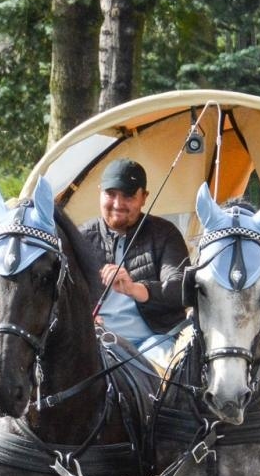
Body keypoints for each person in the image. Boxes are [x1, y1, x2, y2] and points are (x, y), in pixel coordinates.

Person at [78, 157, 190, 367]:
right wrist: (83, 319)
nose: (118, 204)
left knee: (157, 372)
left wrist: (135, 289)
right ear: (100, 192)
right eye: (110, 194)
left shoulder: (165, 233)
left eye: (128, 196)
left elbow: (181, 289)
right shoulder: (81, 238)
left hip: (154, 341)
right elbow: (62, 295)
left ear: (144, 197)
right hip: (97, 341)